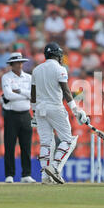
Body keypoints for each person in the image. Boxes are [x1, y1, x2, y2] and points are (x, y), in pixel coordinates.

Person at [31, 42, 88, 185]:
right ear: (56, 54)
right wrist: (76, 110)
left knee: (45, 142)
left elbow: (32, 94)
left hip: (39, 109)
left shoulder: (36, 70)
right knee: (68, 140)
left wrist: (33, 112)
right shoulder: (60, 69)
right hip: (55, 107)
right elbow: (66, 92)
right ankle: (55, 168)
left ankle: (45, 175)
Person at [1, 52, 35, 184]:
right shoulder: (6, 77)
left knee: (26, 146)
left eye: (21, 62)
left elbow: (33, 95)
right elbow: (8, 95)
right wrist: (26, 95)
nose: (20, 65)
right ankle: (9, 174)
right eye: (17, 63)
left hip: (26, 113)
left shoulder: (29, 77)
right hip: (11, 114)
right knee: (9, 145)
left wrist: (20, 91)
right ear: (12, 64)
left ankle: (26, 174)